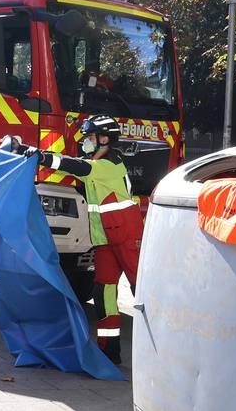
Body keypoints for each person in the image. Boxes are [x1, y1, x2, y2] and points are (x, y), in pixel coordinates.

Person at [14, 114, 142, 364]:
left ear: (105, 140)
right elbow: (74, 165)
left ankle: (163, 348)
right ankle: (109, 351)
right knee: (102, 292)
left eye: (90, 137)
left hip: (126, 237)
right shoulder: (95, 164)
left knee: (143, 292)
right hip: (106, 239)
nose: (86, 142)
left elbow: (76, 166)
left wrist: (39, 154)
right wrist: (34, 156)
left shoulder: (108, 165)